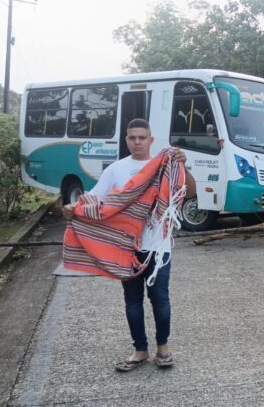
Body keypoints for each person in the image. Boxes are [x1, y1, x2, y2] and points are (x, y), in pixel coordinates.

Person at [63, 118, 196, 371]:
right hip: (126, 248)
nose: (137, 142)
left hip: (158, 247)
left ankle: (163, 348)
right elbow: (95, 199)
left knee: (160, 299)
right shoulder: (115, 170)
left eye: (142, 138)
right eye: (132, 138)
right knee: (132, 301)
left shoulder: (165, 166)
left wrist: (183, 166)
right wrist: (73, 208)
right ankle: (140, 350)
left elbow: (189, 193)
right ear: (126, 140)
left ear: (151, 140)